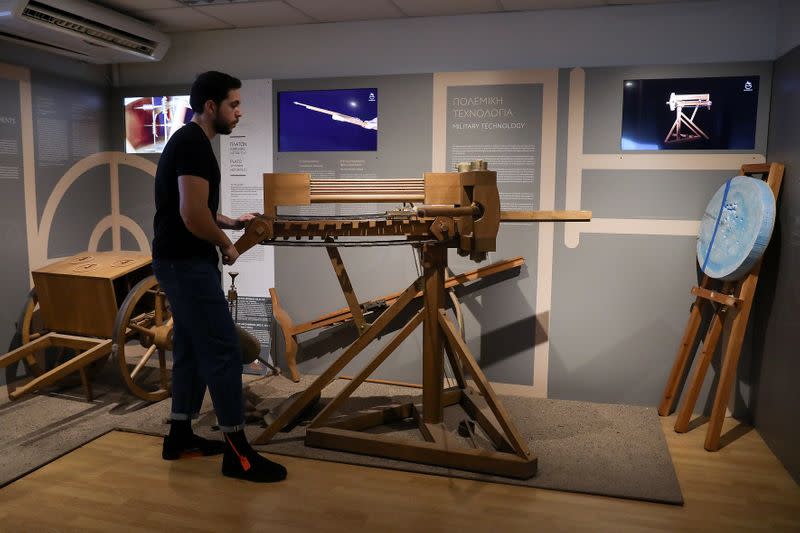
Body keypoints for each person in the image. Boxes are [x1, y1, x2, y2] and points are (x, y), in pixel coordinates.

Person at [152, 71, 286, 483]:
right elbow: (192, 216)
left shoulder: (190, 142)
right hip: (185, 264)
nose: (239, 113)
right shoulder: (193, 145)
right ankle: (237, 452)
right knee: (225, 350)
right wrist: (227, 245)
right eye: (234, 105)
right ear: (211, 107)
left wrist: (228, 221)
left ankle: (179, 435)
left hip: (179, 260)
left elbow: (195, 210)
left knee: (191, 346)